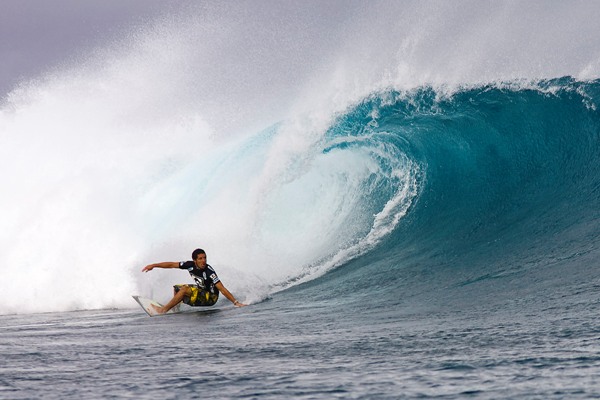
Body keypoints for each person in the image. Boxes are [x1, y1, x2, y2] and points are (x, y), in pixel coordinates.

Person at [142, 248, 246, 314]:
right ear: (194, 260)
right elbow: (171, 264)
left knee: (184, 290)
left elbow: (222, 289)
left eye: (205, 258)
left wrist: (235, 302)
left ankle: (163, 310)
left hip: (210, 297)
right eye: (200, 258)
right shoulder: (189, 265)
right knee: (177, 288)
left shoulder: (209, 271)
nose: (203, 261)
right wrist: (154, 265)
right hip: (202, 291)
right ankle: (174, 309)